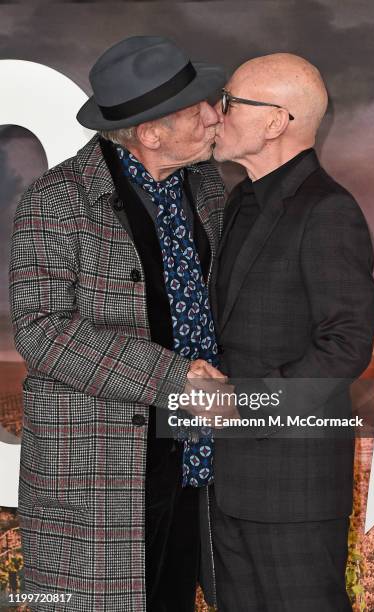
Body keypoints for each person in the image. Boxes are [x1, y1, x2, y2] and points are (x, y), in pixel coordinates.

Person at [9, 36, 228, 612]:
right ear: (150, 133)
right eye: (198, 108)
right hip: (97, 471)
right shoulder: (57, 200)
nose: (215, 116)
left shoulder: (207, 188)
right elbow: (41, 330)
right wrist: (174, 380)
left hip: (192, 459)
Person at [205, 53, 374, 611]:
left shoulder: (328, 210)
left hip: (294, 492)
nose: (215, 114)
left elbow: (345, 345)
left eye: (230, 103)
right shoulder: (239, 202)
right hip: (227, 483)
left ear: (276, 122)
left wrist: (243, 404)